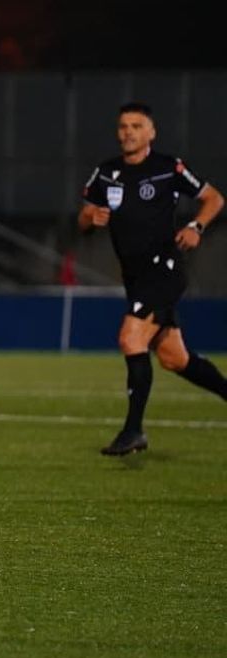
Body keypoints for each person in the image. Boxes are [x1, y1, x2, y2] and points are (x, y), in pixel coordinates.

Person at [78, 102, 225, 456]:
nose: (128, 132)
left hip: (165, 269)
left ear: (151, 132)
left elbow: (213, 198)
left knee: (130, 338)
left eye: (136, 126)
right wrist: (90, 218)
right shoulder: (106, 173)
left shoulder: (167, 167)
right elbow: (83, 218)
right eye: (123, 126)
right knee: (174, 358)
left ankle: (133, 431)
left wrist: (196, 226)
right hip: (135, 277)